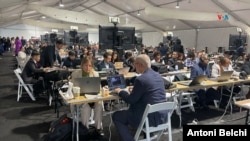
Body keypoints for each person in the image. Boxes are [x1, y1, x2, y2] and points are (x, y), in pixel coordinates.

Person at [112, 54, 167, 141]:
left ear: (139, 65)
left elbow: (131, 100)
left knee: (117, 116)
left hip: (146, 118)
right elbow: (150, 91)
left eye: (135, 64)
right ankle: (148, 134)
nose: (134, 66)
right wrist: (135, 89)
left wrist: (120, 91)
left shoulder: (141, 79)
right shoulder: (158, 76)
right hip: (162, 116)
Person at [70, 56, 104, 135]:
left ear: (92, 66)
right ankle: (85, 128)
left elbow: (99, 88)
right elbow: (72, 87)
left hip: (93, 97)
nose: (88, 68)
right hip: (81, 99)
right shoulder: (75, 74)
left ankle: (98, 128)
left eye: (90, 66)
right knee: (86, 108)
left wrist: (102, 89)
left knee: (99, 106)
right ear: (82, 65)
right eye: (86, 65)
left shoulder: (95, 74)